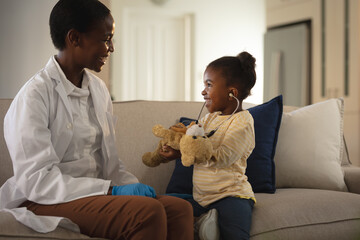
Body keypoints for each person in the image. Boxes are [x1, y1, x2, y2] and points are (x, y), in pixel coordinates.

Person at [0, 0, 194, 239]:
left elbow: (110, 164)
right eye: (105, 39)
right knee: (147, 213)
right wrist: (112, 191)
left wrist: (134, 188)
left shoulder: (98, 90)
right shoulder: (34, 95)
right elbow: (36, 181)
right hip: (42, 198)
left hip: (94, 195)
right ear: (74, 38)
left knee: (180, 210)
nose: (111, 48)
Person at [160, 52, 257, 240]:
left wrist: (194, 148)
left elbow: (223, 157)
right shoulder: (209, 118)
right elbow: (191, 145)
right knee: (164, 205)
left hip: (231, 196)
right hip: (201, 198)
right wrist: (177, 151)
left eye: (209, 85)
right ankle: (203, 222)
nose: (203, 91)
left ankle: (208, 224)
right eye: (204, 85)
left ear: (232, 93)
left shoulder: (243, 122)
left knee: (235, 235)